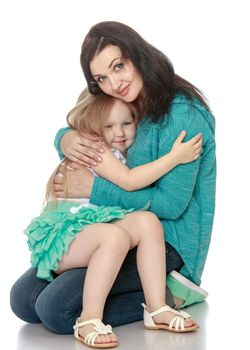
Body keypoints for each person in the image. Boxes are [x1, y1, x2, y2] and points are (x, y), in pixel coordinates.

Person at [10, 21, 216, 337]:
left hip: (167, 243)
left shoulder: (181, 115)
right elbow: (89, 119)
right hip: (114, 226)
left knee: (56, 309)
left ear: (138, 54)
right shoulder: (125, 100)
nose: (114, 83)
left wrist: (95, 188)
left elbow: (172, 206)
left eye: (119, 66)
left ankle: (170, 295)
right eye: (101, 78)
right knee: (23, 299)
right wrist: (64, 138)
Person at [23, 90, 201, 347]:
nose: (120, 133)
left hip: (88, 231)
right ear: (93, 127)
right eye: (109, 126)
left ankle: (157, 307)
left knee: (147, 222)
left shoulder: (114, 149)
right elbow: (129, 182)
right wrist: (174, 158)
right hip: (62, 242)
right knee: (114, 236)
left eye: (127, 123)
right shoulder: (96, 149)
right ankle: (89, 319)